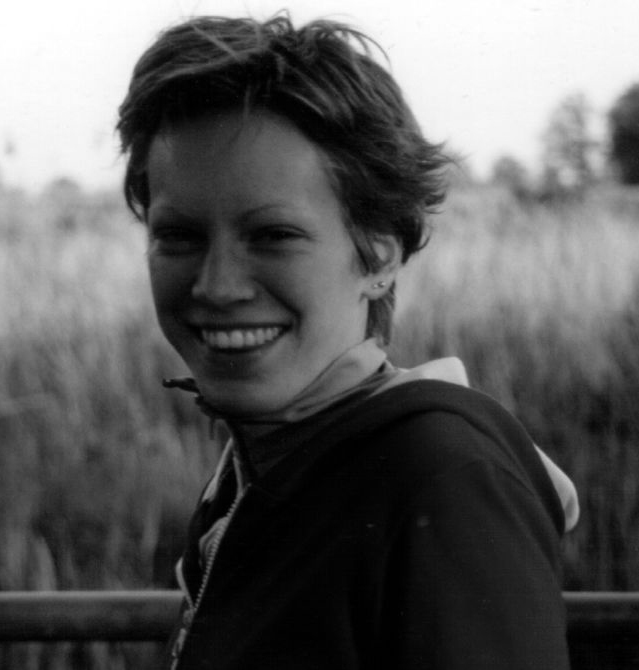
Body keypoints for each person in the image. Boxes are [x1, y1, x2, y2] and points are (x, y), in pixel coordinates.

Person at [117, 14, 576, 669]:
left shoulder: (441, 480)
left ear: (379, 256)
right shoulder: (266, 461)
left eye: (274, 235)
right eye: (178, 236)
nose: (216, 286)